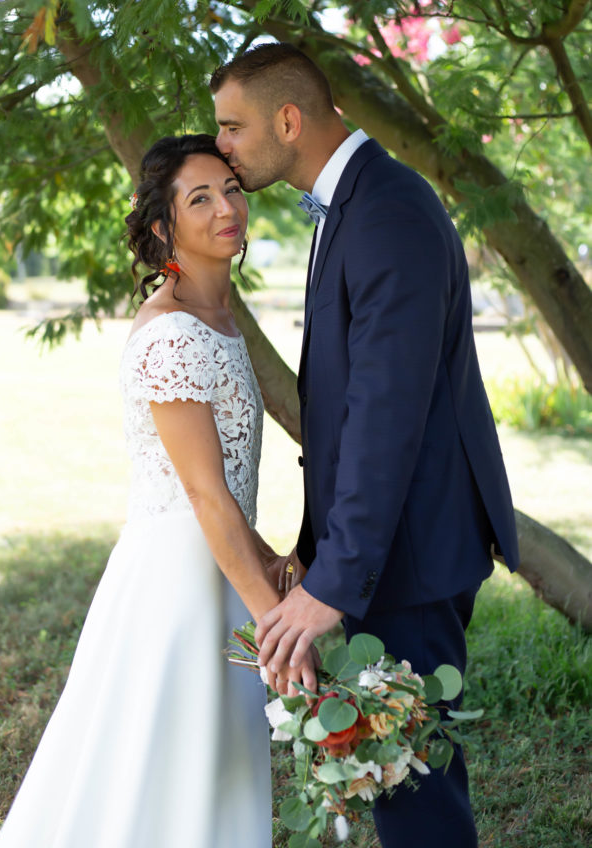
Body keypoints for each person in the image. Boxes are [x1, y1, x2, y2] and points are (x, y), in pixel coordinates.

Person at [211, 43, 520, 848]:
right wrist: (321, 552)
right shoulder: (353, 203)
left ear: (288, 119)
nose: (223, 148)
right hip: (390, 547)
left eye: (232, 128)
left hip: (411, 552)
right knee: (397, 776)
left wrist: (336, 582)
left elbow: (387, 414)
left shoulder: (384, 211)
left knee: (412, 787)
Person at [0, 133, 315, 848]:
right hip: (175, 587)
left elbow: (223, 489)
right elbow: (202, 497)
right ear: (163, 228)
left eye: (230, 188)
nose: (226, 206)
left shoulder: (218, 321)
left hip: (221, 569)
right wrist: (280, 631)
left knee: (211, 772)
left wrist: (272, 576)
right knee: (162, 773)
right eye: (199, 198)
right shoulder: (172, 336)